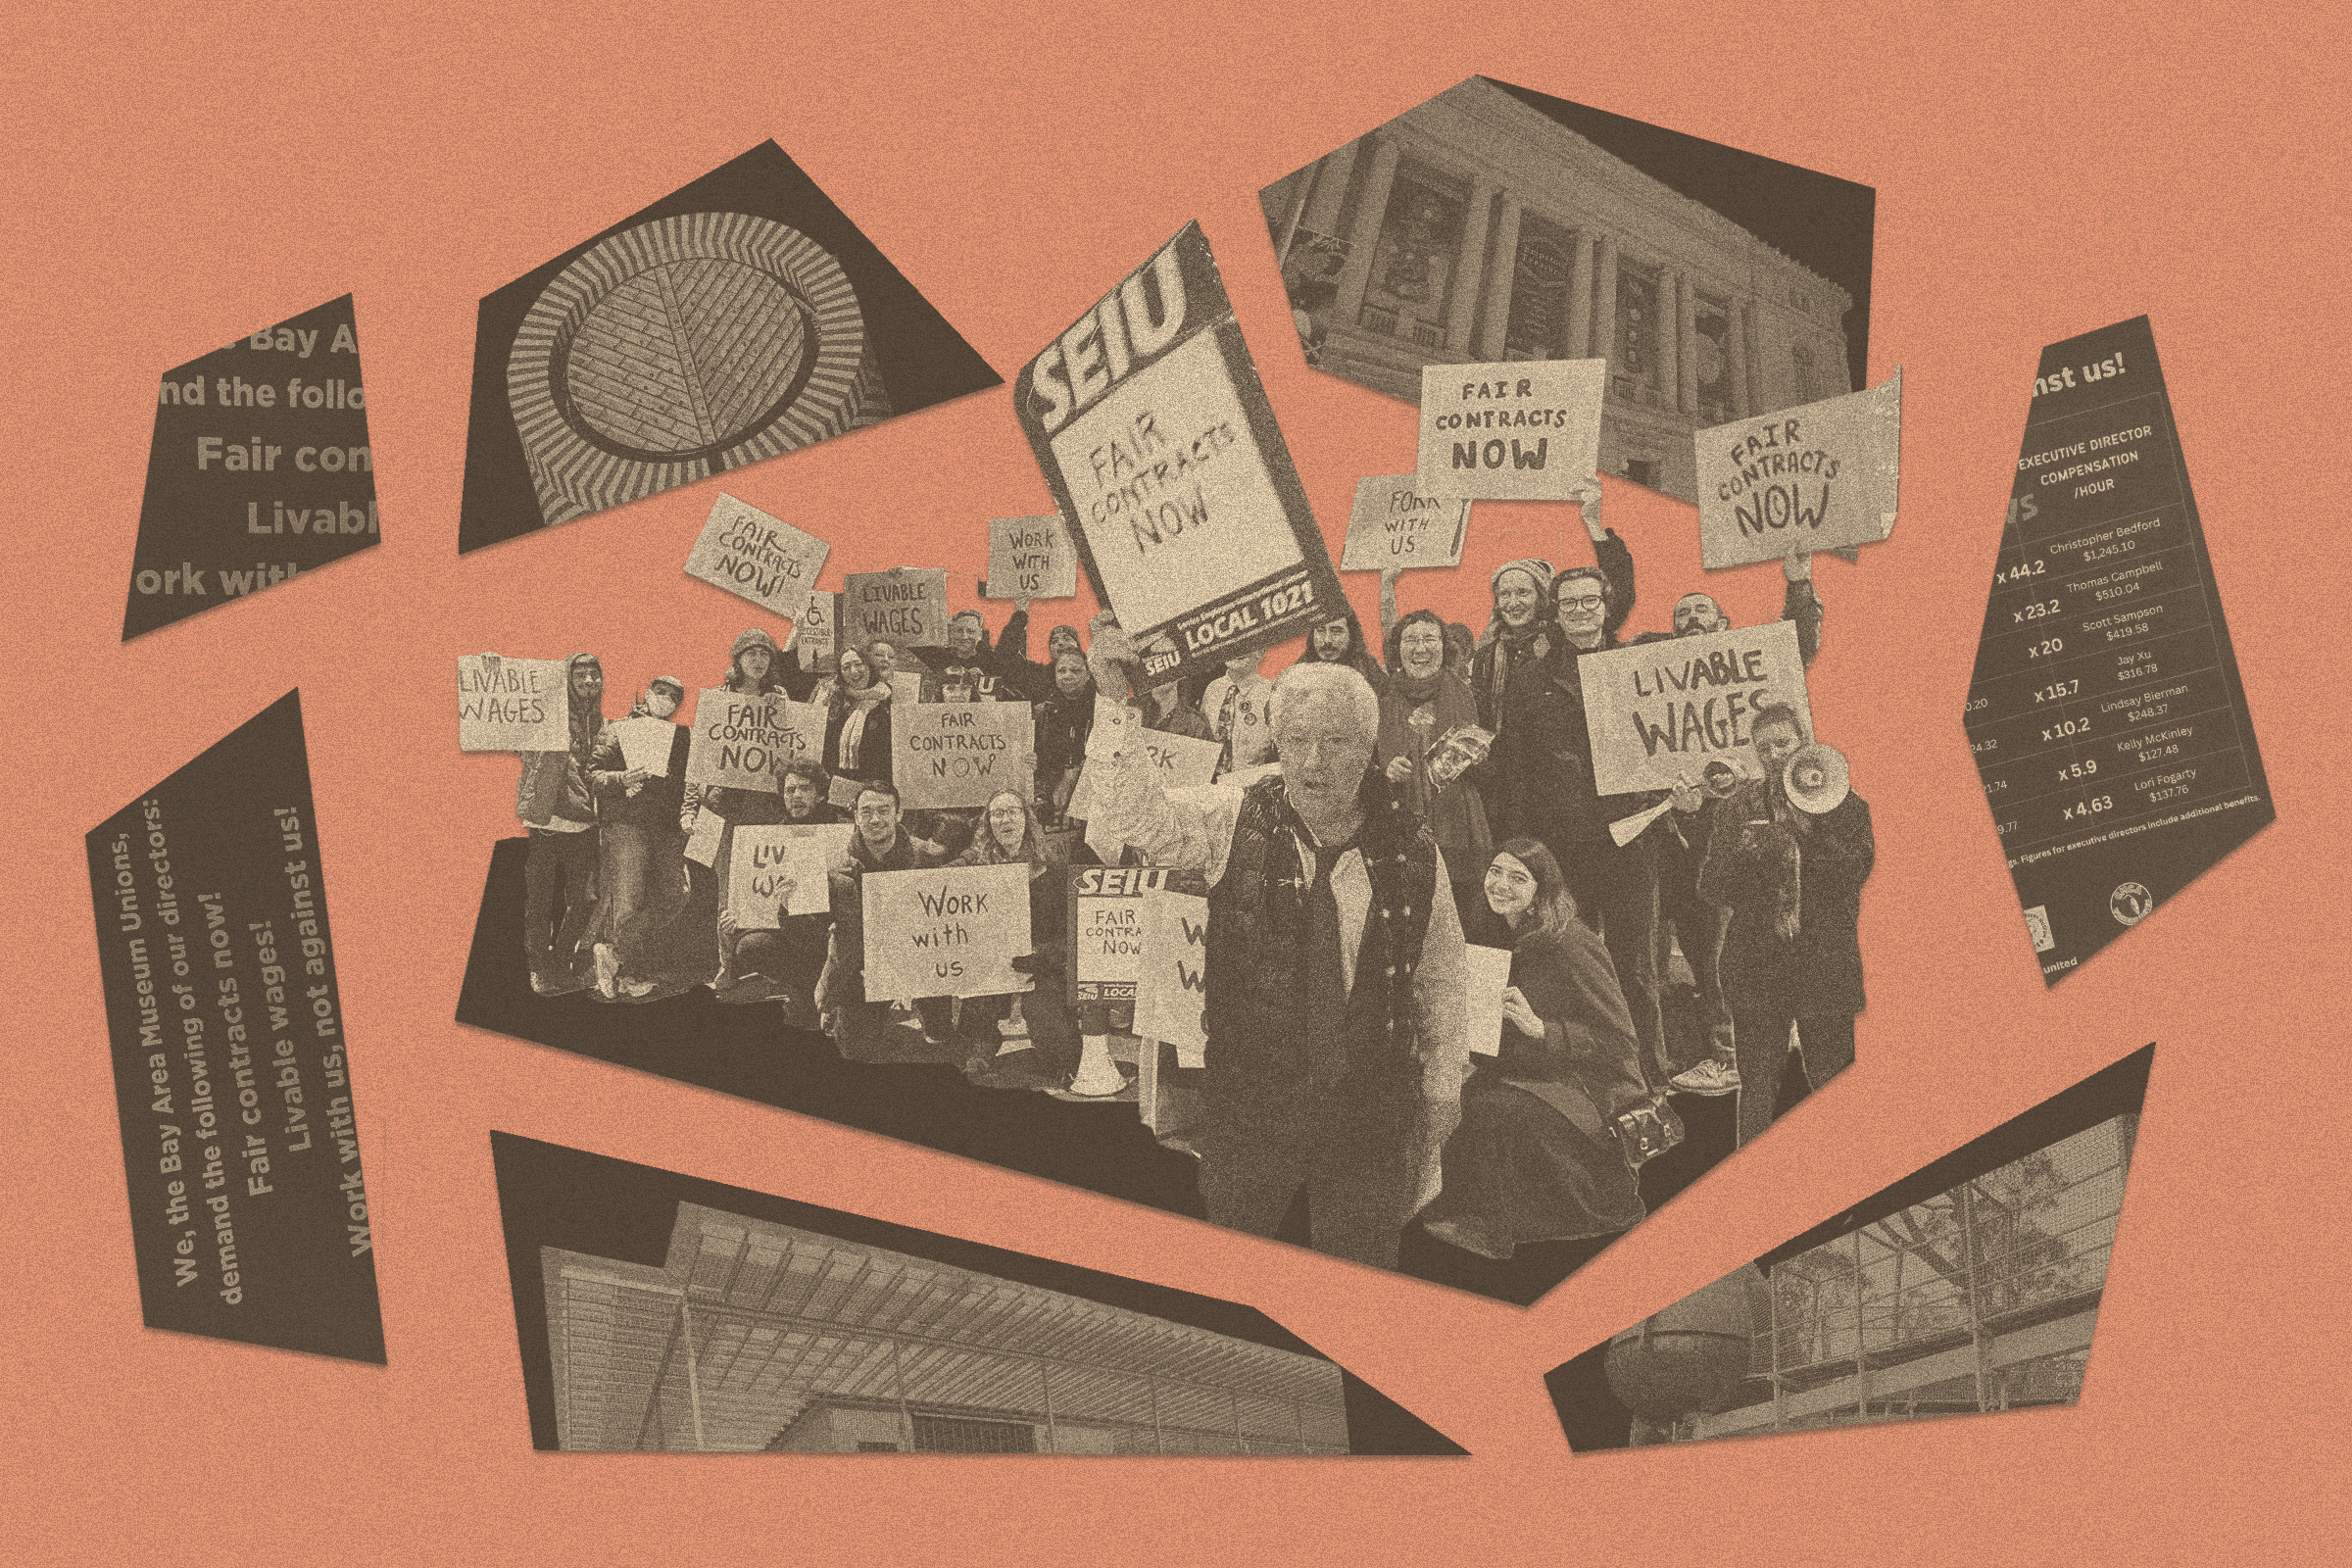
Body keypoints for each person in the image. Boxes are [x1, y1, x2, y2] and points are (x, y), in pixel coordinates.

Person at [1084, 614, 1471, 1271]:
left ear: (1370, 748)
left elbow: (1443, 978)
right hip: (1252, 1105)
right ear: (1277, 743)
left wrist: (1441, 1089)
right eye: (1298, 740)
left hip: (1367, 1110)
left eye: (1337, 742)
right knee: (1239, 1279)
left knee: (1360, 1283)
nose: (1315, 762)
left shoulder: (1412, 850)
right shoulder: (1232, 814)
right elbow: (1134, 817)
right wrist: (1114, 704)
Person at [1468, 490, 1668, 1092]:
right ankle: (1577, 1067)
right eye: (1570, 603)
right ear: (1558, 612)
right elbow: (1515, 765)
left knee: (1635, 965)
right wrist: (1469, 770)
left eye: (1591, 602)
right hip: (1565, 844)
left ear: (1607, 609)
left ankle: (1646, 1078)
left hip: (1630, 839)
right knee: (1566, 958)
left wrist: (1594, 526)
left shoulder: (1639, 665)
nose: (1581, 611)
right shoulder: (1533, 679)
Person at [1630, 553, 1827, 1099]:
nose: (1691, 618)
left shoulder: (1747, 664)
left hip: (1734, 832)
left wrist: (1798, 580)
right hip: (1670, 832)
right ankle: (1686, 1053)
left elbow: (1798, 644)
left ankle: (1728, 1053)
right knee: (1666, 947)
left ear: (1723, 625)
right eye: (1682, 614)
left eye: (1702, 611)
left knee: (1718, 946)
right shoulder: (1654, 670)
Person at [1419, 842, 1648, 1260]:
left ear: (1541, 891)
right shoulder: (1493, 932)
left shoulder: (1572, 943)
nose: (1500, 885)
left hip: (1590, 1087)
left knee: (1495, 1110)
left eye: (1517, 878)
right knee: (1453, 1097)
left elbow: (1621, 1042)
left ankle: (1504, 1224)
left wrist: (1542, 1028)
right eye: (1495, 872)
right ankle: (1469, 1211)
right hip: (1533, 1070)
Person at [1691, 703, 1873, 1149]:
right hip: (1757, 967)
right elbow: (1711, 886)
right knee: (1757, 1093)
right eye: (1763, 747)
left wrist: (1810, 835)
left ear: (1803, 743)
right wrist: (1753, 855)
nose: (1773, 754)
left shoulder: (1846, 806)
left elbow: (1852, 875)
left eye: (1782, 743)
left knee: (1834, 1081)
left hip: (1822, 963)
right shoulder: (1737, 810)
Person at [949, 789, 1079, 1089]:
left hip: (1039, 962)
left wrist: (1044, 956)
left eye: (1013, 811)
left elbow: (1067, 931)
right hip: (990, 962)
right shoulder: (974, 865)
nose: (1005, 819)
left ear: (1026, 818)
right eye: (997, 813)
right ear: (988, 822)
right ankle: (982, 1043)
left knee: (1058, 1048)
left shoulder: (1053, 868)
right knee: (975, 1035)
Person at [819, 779, 954, 1058]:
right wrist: (788, 902)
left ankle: (934, 1015)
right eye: (866, 811)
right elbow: (812, 923)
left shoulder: (928, 858)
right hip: (862, 963)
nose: (875, 819)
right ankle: (841, 1009)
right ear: (855, 815)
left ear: (899, 814)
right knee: (856, 1047)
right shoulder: (834, 863)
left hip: (918, 954)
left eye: (883, 810)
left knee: (941, 1038)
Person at [1377, 608, 1491, 934]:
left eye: (1430, 638)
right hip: (1399, 820)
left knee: (1459, 914)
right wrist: (1386, 767)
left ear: (1444, 647)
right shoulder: (1381, 695)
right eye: (1411, 639)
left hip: (1458, 820)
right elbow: (1367, 761)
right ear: (1398, 648)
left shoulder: (1466, 691)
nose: (1421, 648)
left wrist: (1479, 758)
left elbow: (1485, 760)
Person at [712, 759, 844, 1021]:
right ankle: (804, 988)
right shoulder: (771, 837)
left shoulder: (841, 831)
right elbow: (760, 905)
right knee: (750, 945)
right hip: (794, 932)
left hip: (834, 934)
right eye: (789, 790)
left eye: (805, 789)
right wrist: (739, 918)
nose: (796, 796)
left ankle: (837, 990)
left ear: (820, 795)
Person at [586, 675, 690, 1000]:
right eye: (660, 692)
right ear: (647, 693)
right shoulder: (617, 728)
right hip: (626, 824)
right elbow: (591, 775)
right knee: (627, 900)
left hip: (665, 827)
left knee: (677, 893)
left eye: (674, 697)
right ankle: (626, 975)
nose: (666, 699)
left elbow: (689, 780)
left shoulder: (681, 736)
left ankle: (612, 953)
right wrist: (621, 779)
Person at [517, 653, 606, 996]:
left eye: (594, 675)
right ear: (568, 680)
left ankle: (560, 961)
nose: (587, 681)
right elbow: (506, 726)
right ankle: (539, 968)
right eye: (580, 675)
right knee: (540, 900)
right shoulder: (545, 716)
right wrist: (491, 670)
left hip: (584, 825)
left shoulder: (602, 723)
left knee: (583, 899)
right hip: (547, 823)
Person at [914, 600, 1032, 703]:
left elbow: (1009, 645)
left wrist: (1020, 612)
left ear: (979, 635)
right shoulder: (941, 658)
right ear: (951, 633)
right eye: (959, 631)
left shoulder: (992, 660)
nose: (964, 636)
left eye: (970, 631)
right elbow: (913, 639)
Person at [1033, 649, 1095, 825]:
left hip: (1090, 796)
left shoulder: (1103, 712)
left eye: (1075, 671)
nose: (1068, 675)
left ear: (1088, 674)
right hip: (1050, 797)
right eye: (1062, 671)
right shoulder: (1040, 713)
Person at [821, 645, 893, 790]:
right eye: (846, 667)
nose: (853, 671)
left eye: (858, 664)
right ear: (840, 673)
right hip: (839, 788)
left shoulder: (889, 698)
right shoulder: (833, 702)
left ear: (869, 666)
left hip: (877, 790)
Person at [1202, 648, 1277, 776]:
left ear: (1261, 652)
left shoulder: (1272, 693)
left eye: (1245, 643)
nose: (1237, 649)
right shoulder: (1212, 689)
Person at [1298, 604, 1388, 695]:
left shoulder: (1372, 676)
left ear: (1351, 635)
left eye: (1336, 631)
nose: (1327, 639)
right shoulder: (1297, 676)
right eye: (1320, 630)